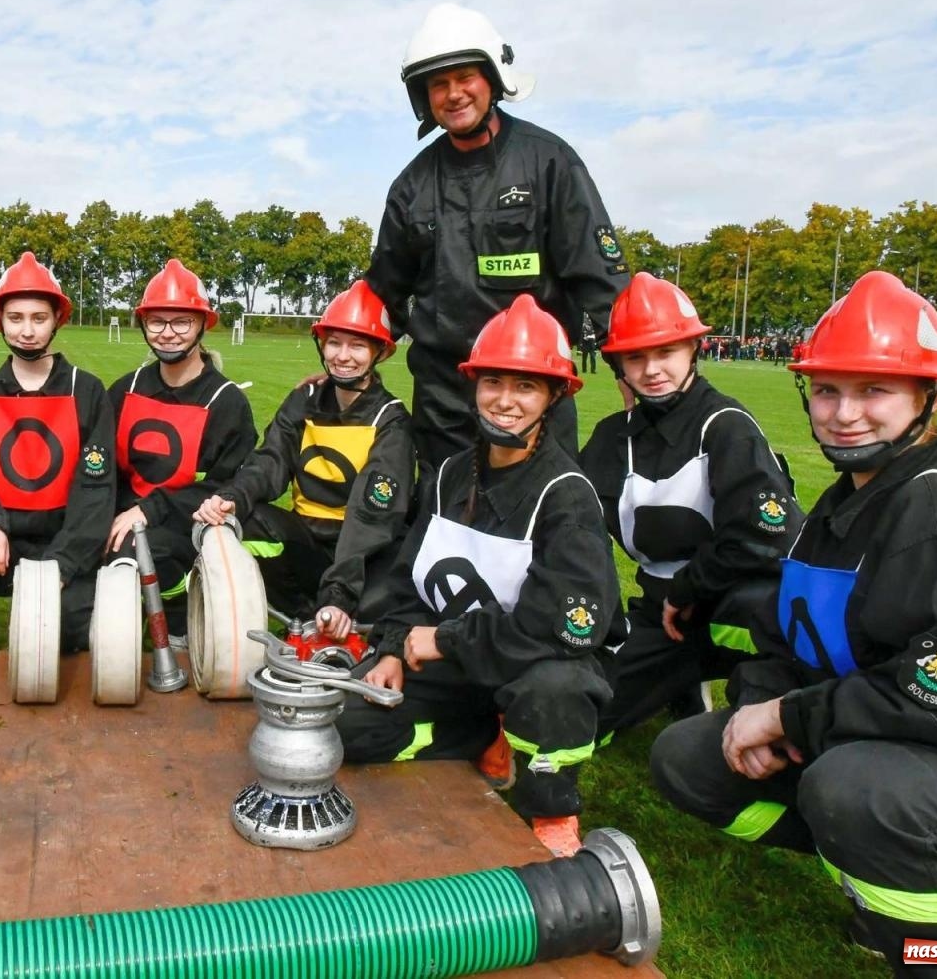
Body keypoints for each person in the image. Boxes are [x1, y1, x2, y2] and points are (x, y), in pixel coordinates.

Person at [649, 272, 937, 971]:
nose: (845, 413)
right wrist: (758, 707)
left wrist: (788, 719)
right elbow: (790, 640)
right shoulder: (840, 508)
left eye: (875, 390)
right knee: (692, 757)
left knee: (856, 791)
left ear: (929, 397)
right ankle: (880, 875)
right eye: (827, 390)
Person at [336, 295, 618, 858]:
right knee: (344, 726)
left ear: (555, 396)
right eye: (493, 383)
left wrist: (442, 639)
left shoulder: (567, 495)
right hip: (452, 660)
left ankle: (552, 808)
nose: (505, 402)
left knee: (554, 689)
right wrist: (392, 649)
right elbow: (408, 577)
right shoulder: (446, 476)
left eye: (527, 387)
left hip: (531, 664)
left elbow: (565, 627)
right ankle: (482, 734)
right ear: (474, 387)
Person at [364, 2, 628, 476]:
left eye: (465, 77)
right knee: (445, 528)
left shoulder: (550, 162)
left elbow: (601, 280)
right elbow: (383, 292)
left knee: (544, 525)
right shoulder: (411, 186)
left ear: (493, 77)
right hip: (444, 403)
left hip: (534, 393)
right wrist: (344, 353)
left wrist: (630, 372)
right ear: (423, 97)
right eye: (438, 84)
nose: (453, 93)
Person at [579, 272, 800, 741]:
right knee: (583, 713)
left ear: (693, 350)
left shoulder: (727, 427)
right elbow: (572, 521)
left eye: (666, 352)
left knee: (740, 742)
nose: (652, 369)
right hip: (661, 611)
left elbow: (768, 536)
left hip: (741, 609)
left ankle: (758, 694)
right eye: (635, 357)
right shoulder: (611, 438)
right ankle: (679, 679)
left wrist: (689, 588)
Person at [193, 280, 414, 632]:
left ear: (380, 353)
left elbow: (372, 517)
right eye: (334, 343)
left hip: (367, 550)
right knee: (244, 521)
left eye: (357, 346)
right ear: (321, 344)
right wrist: (233, 498)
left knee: (378, 605)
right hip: (310, 538)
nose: (343, 356)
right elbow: (271, 461)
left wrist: (339, 594)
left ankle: (334, 610)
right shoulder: (305, 398)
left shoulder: (390, 420)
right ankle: (307, 619)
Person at [0, 253, 115, 657]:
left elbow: (96, 489)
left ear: (56, 321)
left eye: (38, 318)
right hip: (4, 539)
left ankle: (64, 598)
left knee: (66, 640)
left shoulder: (87, 391)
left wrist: (64, 564)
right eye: (16, 318)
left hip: (65, 539)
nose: (27, 331)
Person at [105, 259, 255, 645]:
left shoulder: (227, 402)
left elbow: (225, 486)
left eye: (181, 322)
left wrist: (148, 510)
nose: (168, 333)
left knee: (142, 551)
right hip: (123, 515)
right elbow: (100, 466)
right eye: (157, 322)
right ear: (143, 324)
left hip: (184, 523)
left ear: (203, 325)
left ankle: (178, 620)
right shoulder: (124, 389)